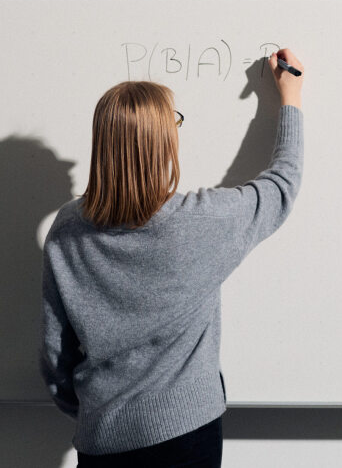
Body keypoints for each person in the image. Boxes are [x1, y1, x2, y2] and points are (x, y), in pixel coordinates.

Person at [41, 49, 305, 467]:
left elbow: (56, 355)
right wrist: (290, 98)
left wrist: (96, 413)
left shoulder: (66, 230)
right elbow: (281, 184)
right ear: (162, 143)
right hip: (187, 435)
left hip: (102, 437)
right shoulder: (200, 222)